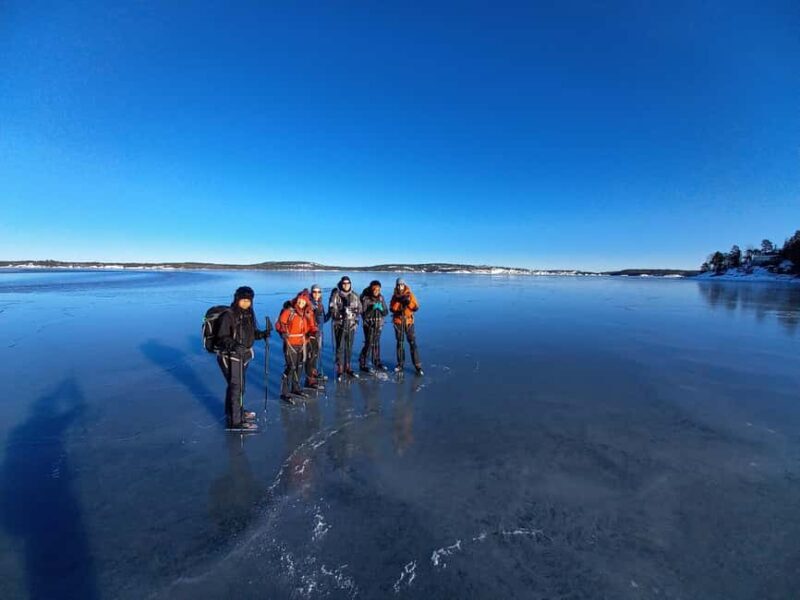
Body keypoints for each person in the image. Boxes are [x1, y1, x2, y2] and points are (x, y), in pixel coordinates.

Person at [216, 286, 270, 431]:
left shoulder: (247, 314)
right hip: (231, 356)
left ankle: (235, 412)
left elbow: (250, 334)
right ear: (237, 299)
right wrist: (234, 345)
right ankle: (235, 421)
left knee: (238, 387)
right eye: (243, 300)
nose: (246, 303)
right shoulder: (229, 315)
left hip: (243, 356)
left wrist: (262, 334)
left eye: (248, 301)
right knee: (236, 388)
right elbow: (221, 337)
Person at [275, 289, 318, 402]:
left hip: (303, 343)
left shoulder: (308, 313)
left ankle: (296, 388)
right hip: (290, 343)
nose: (301, 303)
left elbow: (312, 326)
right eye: (299, 301)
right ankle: (284, 392)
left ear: (306, 302)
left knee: (299, 366)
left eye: (303, 302)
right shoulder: (289, 311)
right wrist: (283, 332)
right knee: (290, 367)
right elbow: (279, 324)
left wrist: (312, 332)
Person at [328, 276, 361, 378]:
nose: (346, 285)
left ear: (350, 284)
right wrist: (340, 313)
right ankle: (340, 368)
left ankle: (348, 366)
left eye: (348, 283)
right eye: (344, 283)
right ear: (341, 284)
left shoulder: (355, 295)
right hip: (340, 326)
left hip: (351, 326)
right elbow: (332, 309)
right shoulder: (336, 295)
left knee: (349, 347)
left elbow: (360, 309)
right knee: (340, 347)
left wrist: (354, 314)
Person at [390, 278, 423, 375]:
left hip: (409, 322)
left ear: (404, 285)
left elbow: (416, 307)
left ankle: (417, 366)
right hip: (398, 322)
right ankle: (400, 364)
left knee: (412, 343)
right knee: (400, 343)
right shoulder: (394, 296)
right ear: (396, 286)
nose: (400, 286)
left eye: (402, 285)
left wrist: (408, 302)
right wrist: (398, 300)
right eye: (398, 285)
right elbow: (392, 309)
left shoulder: (410, 294)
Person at [359, 280, 389, 372]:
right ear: (371, 289)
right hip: (369, 324)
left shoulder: (381, 298)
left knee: (376, 343)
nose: (376, 291)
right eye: (374, 289)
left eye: (378, 289)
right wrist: (371, 308)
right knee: (369, 343)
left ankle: (376, 361)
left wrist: (380, 309)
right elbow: (363, 313)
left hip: (379, 324)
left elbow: (386, 312)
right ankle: (363, 363)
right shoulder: (366, 298)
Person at [307, 283, 330, 384]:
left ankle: (314, 372)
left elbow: (323, 320)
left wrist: (330, 313)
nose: (316, 294)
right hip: (311, 335)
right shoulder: (308, 304)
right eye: (314, 292)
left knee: (316, 355)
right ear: (311, 293)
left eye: (319, 292)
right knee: (310, 356)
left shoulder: (320, 305)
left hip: (319, 334)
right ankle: (310, 379)